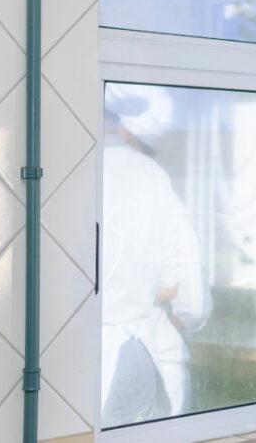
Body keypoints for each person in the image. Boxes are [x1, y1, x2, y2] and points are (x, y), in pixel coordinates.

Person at [101, 85, 212, 425]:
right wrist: (186, 312)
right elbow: (184, 279)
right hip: (129, 353)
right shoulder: (150, 176)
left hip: (74, 357)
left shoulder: (66, 167)